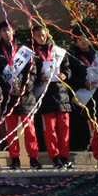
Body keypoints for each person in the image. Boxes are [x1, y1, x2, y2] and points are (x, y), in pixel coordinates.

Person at [0, 21, 41, 170]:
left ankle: (33, 158)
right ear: (0, 32)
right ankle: (15, 159)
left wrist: (26, 87)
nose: (7, 33)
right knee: (11, 130)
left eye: (9, 30)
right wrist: (8, 88)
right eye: (4, 30)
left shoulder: (25, 50)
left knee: (30, 129)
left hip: (26, 96)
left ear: (14, 31)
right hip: (8, 97)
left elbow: (32, 72)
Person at [32, 25, 72, 169]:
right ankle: (55, 157)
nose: (42, 38)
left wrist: (65, 75)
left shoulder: (58, 51)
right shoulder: (32, 53)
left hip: (61, 94)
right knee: (49, 129)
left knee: (64, 127)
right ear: (34, 37)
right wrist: (39, 78)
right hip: (45, 94)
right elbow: (30, 74)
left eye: (44, 35)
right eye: (38, 36)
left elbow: (67, 67)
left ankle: (65, 156)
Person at [68, 27, 98, 166]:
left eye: (86, 38)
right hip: (89, 97)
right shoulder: (73, 59)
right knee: (96, 130)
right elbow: (71, 78)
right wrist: (84, 83)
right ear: (76, 42)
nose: (84, 41)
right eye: (80, 39)